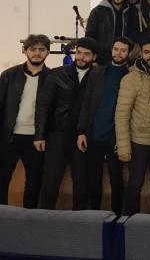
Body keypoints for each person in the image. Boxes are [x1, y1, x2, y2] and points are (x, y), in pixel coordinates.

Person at [35, 37, 97, 210]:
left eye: (86, 54)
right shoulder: (57, 74)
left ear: (94, 57)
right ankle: (44, 218)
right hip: (57, 134)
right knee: (51, 181)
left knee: (81, 182)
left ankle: (79, 221)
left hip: (83, 136)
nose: (81, 57)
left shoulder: (98, 76)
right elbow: (43, 105)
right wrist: (39, 135)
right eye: (79, 53)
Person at [77, 37, 132, 214]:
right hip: (94, 135)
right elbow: (86, 103)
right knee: (93, 178)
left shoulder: (131, 75)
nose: (118, 53)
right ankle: (95, 214)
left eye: (123, 50)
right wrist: (82, 131)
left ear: (129, 53)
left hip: (116, 138)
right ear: (111, 50)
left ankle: (117, 215)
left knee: (116, 180)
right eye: (116, 49)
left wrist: (123, 139)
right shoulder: (97, 73)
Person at [115, 36, 150, 216]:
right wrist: (123, 146)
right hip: (138, 142)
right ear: (141, 54)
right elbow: (122, 114)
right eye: (147, 52)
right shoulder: (131, 78)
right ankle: (130, 222)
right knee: (135, 184)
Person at [0, 34, 50, 208]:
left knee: (34, 183)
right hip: (9, 137)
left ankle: (29, 218)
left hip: (36, 139)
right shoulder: (9, 75)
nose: (37, 53)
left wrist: (43, 135)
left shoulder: (52, 78)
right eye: (33, 49)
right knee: (2, 179)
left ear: (47, 52)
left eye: (42, 49)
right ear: (25, 51)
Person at [86, 0, 139, 65]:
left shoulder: (132, 11)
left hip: (124, 59)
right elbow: (90, 36)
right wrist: (93, 59)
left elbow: (134, 34)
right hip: (101, 59)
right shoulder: (98, 11)